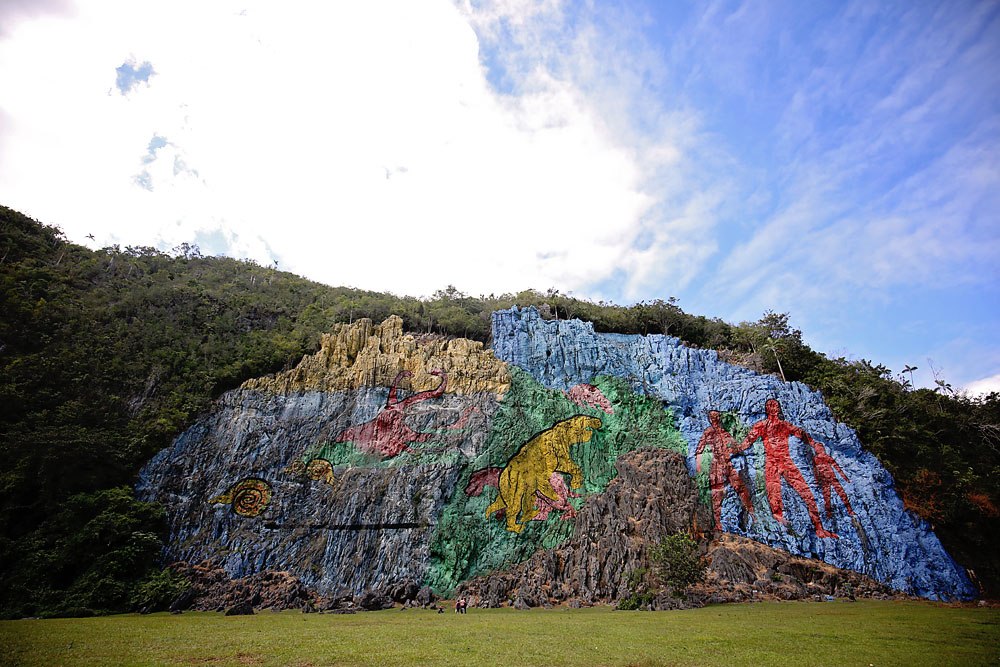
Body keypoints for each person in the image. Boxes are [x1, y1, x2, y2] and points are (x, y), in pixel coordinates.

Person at [736, 399, 838, 539]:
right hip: (771, 462)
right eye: (770, 406)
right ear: (766, 409)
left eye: (776, 405)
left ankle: (819, 527)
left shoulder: (785, 425)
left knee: (806, 493)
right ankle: (779, 520)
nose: (774, 408)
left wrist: (815, 445)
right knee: (774, 494)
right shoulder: (761, 425)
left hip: (786, 461)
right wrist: (736, 450)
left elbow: (802, 434)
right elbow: (748, 441)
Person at [695, 410, 755, 531]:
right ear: (710, 419)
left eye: (716, 416)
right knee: (717, 493)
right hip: (717, 465)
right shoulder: (709, 432)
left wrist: (743, 445)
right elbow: (700, 448)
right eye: (713, 416)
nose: (715, 418)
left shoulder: (725, 433)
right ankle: (717, 523)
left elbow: (735, 447)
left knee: (740, 488)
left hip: (728, 464)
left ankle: (752, 514)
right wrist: (699, 464)